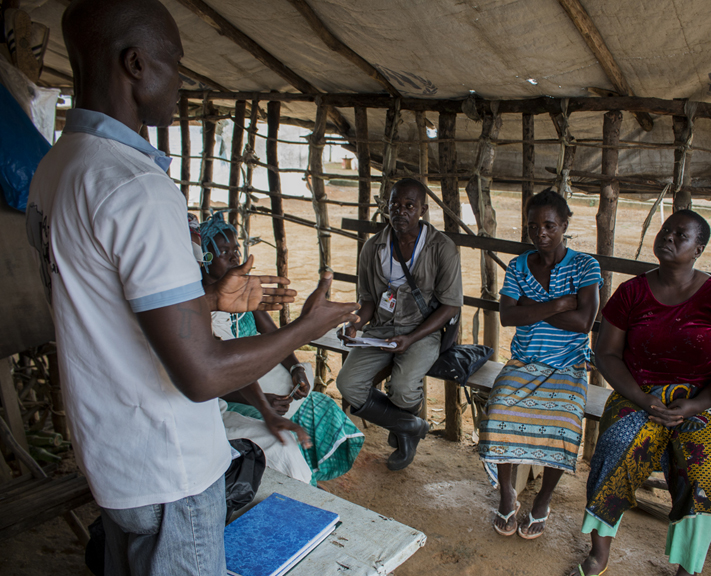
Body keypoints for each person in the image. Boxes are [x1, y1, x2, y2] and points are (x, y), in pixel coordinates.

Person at [24, 1, 358, 574]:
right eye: (175, 63)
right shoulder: (135, 187)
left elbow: (102, 311)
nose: (181, 80)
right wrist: (309, 326)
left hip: (111, 457)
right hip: (168, 466)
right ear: (135, 64)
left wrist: (207, 300)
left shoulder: (58, 168)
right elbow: (202, 374)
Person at [578, 210, 711, 576]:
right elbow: (606, 353)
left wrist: (698, 404)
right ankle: (599, 553)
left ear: (698, 248)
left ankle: (689, 565)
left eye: (680, 235)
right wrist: (643, 399)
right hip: (636, 394)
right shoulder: (631, 293)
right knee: (615, 448)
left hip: (702, 400)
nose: (668, 237)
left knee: (705, 466)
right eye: (665, 230)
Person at [199, 213, 364, 485]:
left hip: (259, 375)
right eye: (223, 252)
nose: (233, 257)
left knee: (318, 404)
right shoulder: (197, 311)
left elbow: (273, 335)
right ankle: (300, 484)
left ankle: (310, 477)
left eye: (236, 250)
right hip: (237, 393)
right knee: (284, 435)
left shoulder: (244, 294)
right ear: (205, 259)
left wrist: (296, 367)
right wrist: (263, 401)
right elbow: (214, 375)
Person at [478, 189, 601, 539]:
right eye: (533, 226)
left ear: (564, 225)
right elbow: (507, 317)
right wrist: (562, 303)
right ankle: (507, 494)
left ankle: (543, 500)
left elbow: (583, 323)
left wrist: (532, 308)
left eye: (549, 225)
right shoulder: (519, 265)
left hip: (568, 365)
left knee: (563, 423)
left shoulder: (584, 265)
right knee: (500, 409)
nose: (540, 232)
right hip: (525, 361)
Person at [336, 178, 462, 470]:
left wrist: (412, 337)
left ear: (422, 209)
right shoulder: (373, 248)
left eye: (409, 205)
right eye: (394, 204)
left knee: (403, 387)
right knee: (347, 384)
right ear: (386, 207)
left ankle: (404, 433)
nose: (400, 211)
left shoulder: (441, 248)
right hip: (380, 331)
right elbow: (367, 299)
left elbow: (451, 305)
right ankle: (410, 426)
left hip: (422, 332)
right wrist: (355, 324)